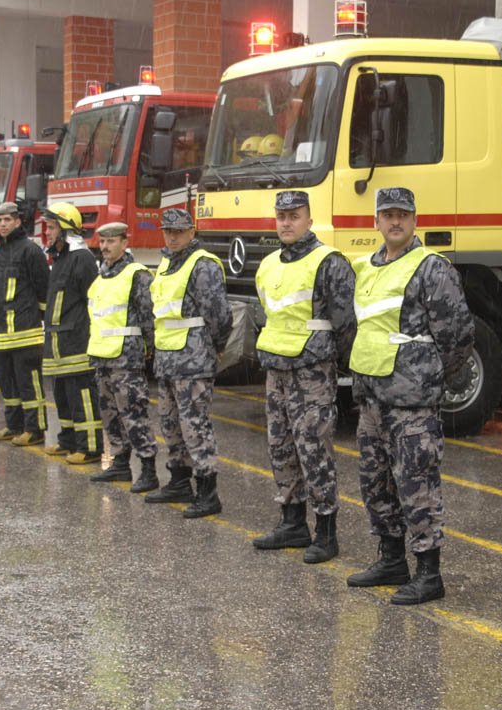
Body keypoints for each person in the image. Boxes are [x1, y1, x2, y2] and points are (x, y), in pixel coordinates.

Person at [344, 187, 474, 605]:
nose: (395, 221)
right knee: (375, 483)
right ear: (376, 222)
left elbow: (457, 336)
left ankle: (428, 573)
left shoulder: (432, 269)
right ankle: (391, 560)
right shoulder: (366, 268)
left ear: (415, 220)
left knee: (417, 486)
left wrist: (429, 377)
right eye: (388, 214)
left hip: (412, 400)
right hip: (372, 398)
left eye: (403, 214)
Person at [251, 190, 356, 564]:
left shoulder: (329, 262)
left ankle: (326, 533)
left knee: (315, 450)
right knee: (281, 450)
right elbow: (267, 312)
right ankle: (293, 523)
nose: (286, 223)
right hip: (276, 370)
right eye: (281, 216)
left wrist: (337, 368)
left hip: (312, 372)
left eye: (294, 216)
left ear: (310, 220)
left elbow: (346, 324)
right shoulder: (268, 265)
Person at [144, 207, 232, 518]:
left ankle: (208, 494)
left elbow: (220, 315)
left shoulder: (202, 265)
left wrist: (216, 347)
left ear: (192, 232)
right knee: (170, 425)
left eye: (179, 231)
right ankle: (180, 483)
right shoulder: (167, 263)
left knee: (195, 427)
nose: (173, 236)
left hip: (193, 360)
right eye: (168, 231)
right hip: (168, 360)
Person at [86, 221, 158, 491]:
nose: (105, 247)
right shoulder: (101, 274)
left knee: (133, 413)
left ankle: (148, 469)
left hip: (126, 359)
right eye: (102, 242)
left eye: (111, 241)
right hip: (102, 356)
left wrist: (150, 351)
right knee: (109, 414)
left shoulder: (137, 274)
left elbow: (149, 317)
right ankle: (119, 464)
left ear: (124, 243)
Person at [0, 201, 49, 445]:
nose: (3, 224)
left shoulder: (30, 250)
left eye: (8, 220)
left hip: (25, 331)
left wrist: (39, 321)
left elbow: (43, 288)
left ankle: (35, 429)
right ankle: (13, 425)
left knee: (28, 383)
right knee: (7, 382)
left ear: (18, 222)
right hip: (2, 332)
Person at [40, 203, 102, 464]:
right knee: (63, 394)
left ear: (66, 230)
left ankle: (89, 446)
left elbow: (92, 301)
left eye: (52, 227)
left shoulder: (82, 258)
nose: (48, 233)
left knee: (82, 395)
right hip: (58, 340)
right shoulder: (61, 258)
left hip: (77, 339)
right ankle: (67, 440)